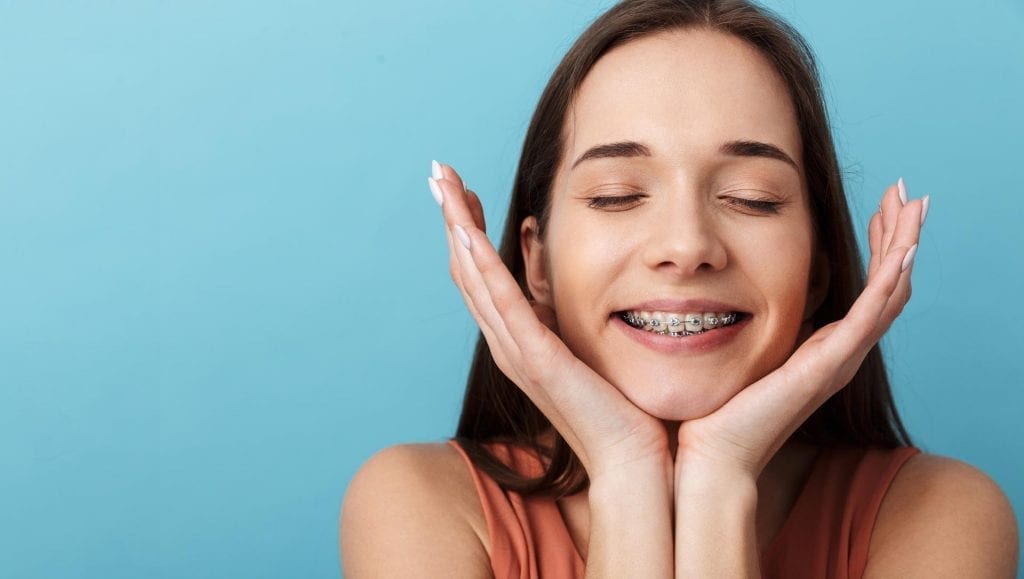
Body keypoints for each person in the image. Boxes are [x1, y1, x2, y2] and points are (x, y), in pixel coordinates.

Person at [341, 0, 1019, 576]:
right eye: (617, 196)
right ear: (535, 264)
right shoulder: (418, 504)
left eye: (751, 199)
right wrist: (626, 469)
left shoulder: (941, 515)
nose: (687, 246)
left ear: (818, 266)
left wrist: (720, 478)